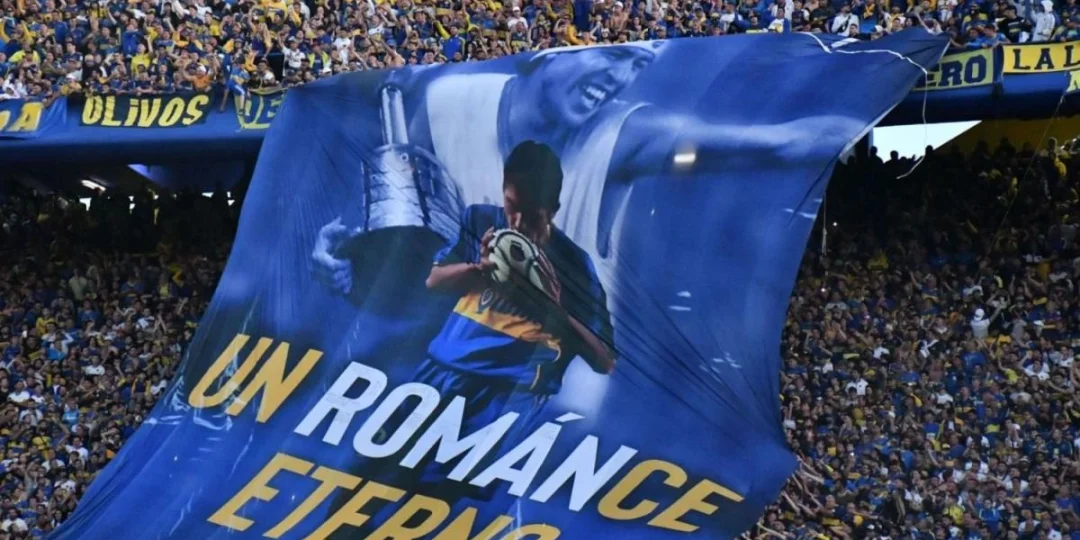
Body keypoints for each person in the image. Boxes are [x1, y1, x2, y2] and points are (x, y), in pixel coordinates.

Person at [312, 41, 865, 295]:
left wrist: (864, 90)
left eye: (635, 66)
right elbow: (378, 227)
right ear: (544, 54)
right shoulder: (439, 104)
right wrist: (340, 259)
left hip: (560, 407)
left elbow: (777, 145)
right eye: (615, 55)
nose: (618, 78)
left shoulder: (625, 139)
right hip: (449, 365)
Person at [325, 141, 614, 535]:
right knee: (365, 470)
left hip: (501, 398)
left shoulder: (575, 265)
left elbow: (604, 358)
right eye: (511, 205)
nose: (517, 222)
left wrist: (552, 308)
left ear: (554, 210)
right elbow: (434, 281)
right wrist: (478, 268)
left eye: (530, 214)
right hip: (436, 375)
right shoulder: (481, 220)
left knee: (431, 501)